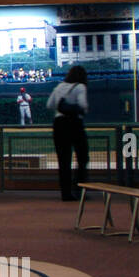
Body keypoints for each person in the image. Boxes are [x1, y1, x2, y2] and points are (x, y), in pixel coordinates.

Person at [47, 65, 89, 202]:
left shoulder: (59, 86)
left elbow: (50, 104)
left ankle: (65, 193)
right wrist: (79, 109)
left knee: (63, 161)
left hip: (59, 123)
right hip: (74, 123)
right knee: (82, 158)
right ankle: (79, 189)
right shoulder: (80, 87)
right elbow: (83, 105)